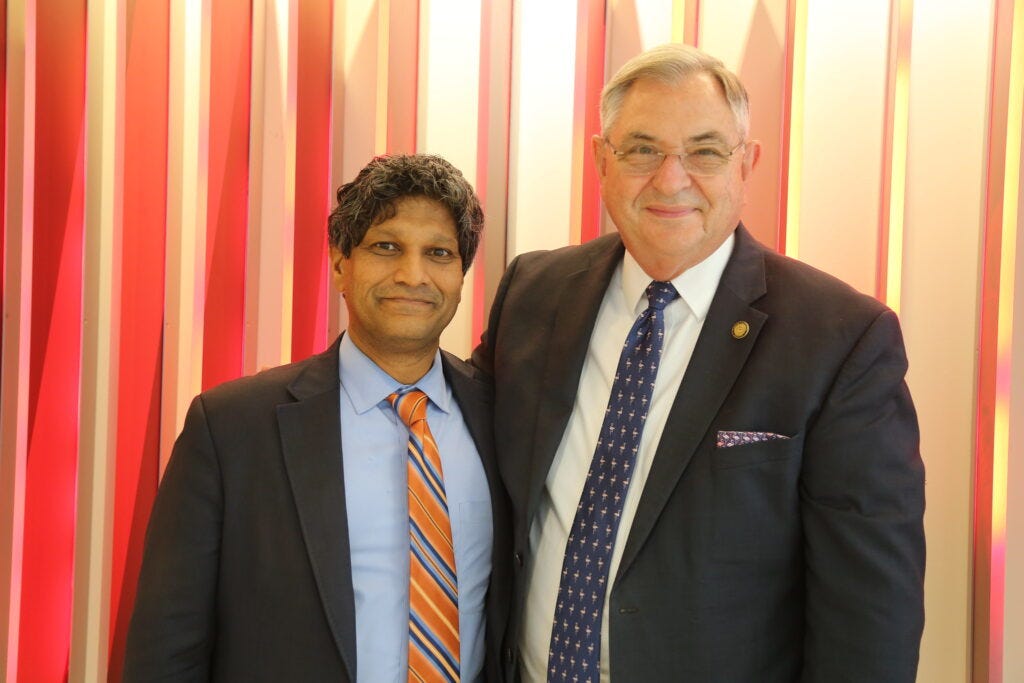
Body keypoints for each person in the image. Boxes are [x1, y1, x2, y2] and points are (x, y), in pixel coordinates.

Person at [473, 44, 924, 682]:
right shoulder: (533, 293)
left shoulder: (842, 339)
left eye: (706, 151)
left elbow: (872, 613)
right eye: (642, 149)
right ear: (602, 159)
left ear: (749, 164)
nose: (671, 178)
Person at [125, 154, 510, 682]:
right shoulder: (231, 427)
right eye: (386, 246)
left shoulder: (503, 417)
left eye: (438, 253)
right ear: (339, 264)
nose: (412, 274)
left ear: (461, 276)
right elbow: (168, 643)